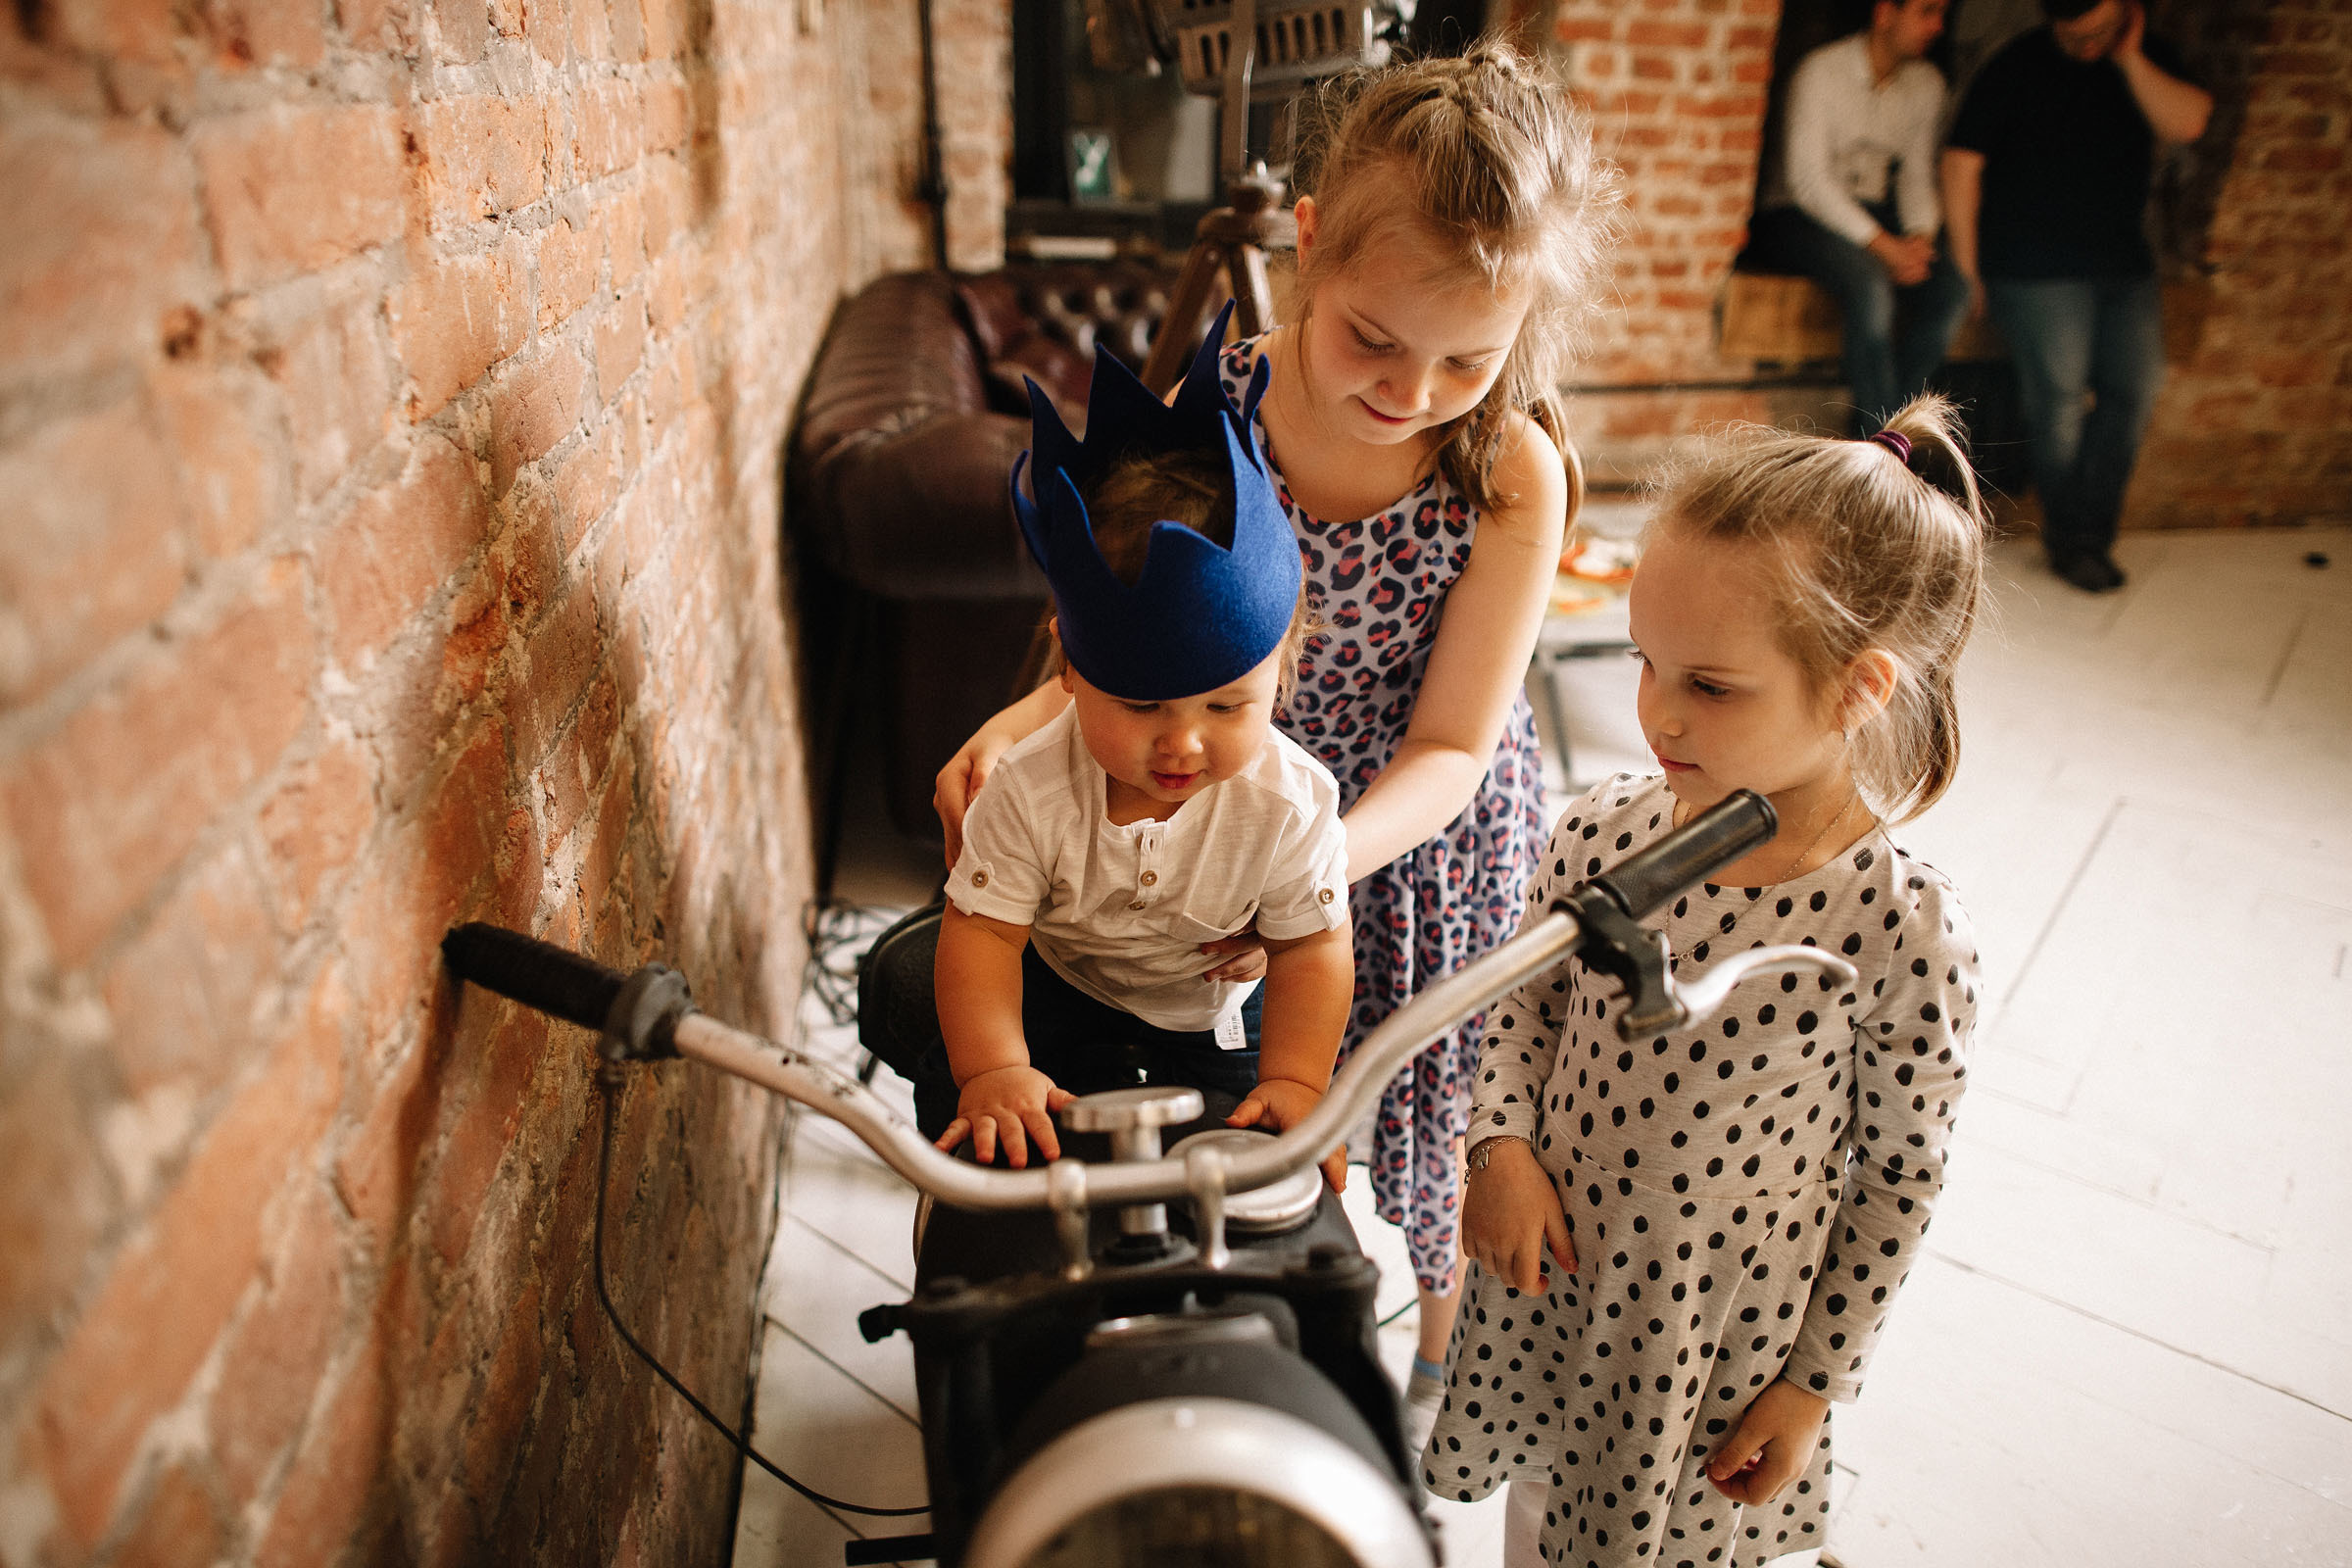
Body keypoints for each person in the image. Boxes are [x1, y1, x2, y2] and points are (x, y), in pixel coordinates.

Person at [932, 43, 1619, 1442]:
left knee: (1408, 1106)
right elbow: (1136, 641)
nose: (1413, 388)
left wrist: (1309, 866)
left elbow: (1452, 747)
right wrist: (1017, 722)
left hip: (1405, 845)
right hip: (1219, 797)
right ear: (1306, 247)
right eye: (1374, 337)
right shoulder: (1216, 412)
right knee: (1235, 1106)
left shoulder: (1509, 472)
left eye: (1466, 358)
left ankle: (1422, 1351)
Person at [1427, 399, 1987, 1568]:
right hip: (1557, 1282)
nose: (1657, 712)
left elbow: (1896, 1180)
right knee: (1538, 1525)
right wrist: (1501, 1149)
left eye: (1713, 686)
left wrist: (1809, 1389)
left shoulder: (1898, 932)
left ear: (1858, 689)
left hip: (1713, 1343)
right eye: (1645, 662)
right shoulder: (1604, 833)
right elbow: (1524, 1001)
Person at [924, 310, 1355, 1192]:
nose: (1184, 742)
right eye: (1142, 704)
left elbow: (1312, 950)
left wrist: (1298, 1079)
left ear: (1284, 670)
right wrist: (992, 1069)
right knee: (1003, 1157)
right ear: (1071, 671)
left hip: (1213, 1021)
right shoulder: (1030, 790)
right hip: (1053, 994)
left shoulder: (1292, 802)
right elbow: (983, 934)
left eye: (1228, 704)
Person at [1942, 0, 2211, 593]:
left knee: (2135, 390)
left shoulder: (2148, 59)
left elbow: (2190, 123)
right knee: (2058, 402)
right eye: (2075, 36)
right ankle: (2075, 542)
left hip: (2123, 266)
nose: (2087, 46)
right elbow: (1961, 164)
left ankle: (2088, 528)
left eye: (2099, 32)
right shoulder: (2016, 66)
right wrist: (1968, 268)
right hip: (2033, 267)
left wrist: (2131, 60)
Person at [1747, 0, 1971, 428]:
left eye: (1942, 14)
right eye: (1926, 12)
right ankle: (1881, 441)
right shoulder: (1821, 71)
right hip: (1795, 215)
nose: (1938, 27)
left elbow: (1917, 173)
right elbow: (1808, 181)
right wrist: (1885, 246)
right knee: (1870, 288)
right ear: (1886, 13)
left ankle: (1892, 430)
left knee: (1951, 291)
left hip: (1875, 215)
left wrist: (1920, 236)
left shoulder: (1927, 84)